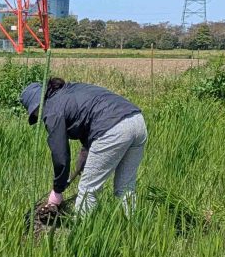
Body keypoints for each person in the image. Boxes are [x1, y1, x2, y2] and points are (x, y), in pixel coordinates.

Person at [20, 77, 148, 215]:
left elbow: (60, 155)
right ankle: (131, 229)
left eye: (35, 112)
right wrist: (85, 153)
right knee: (125, 188)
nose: (37, 116)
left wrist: (57, 190)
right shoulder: (69, 90)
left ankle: (81, 232)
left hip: (113, 129)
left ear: (38, 105)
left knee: (88, 190)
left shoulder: (51, 110)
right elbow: (90, 115)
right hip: (137, 121)